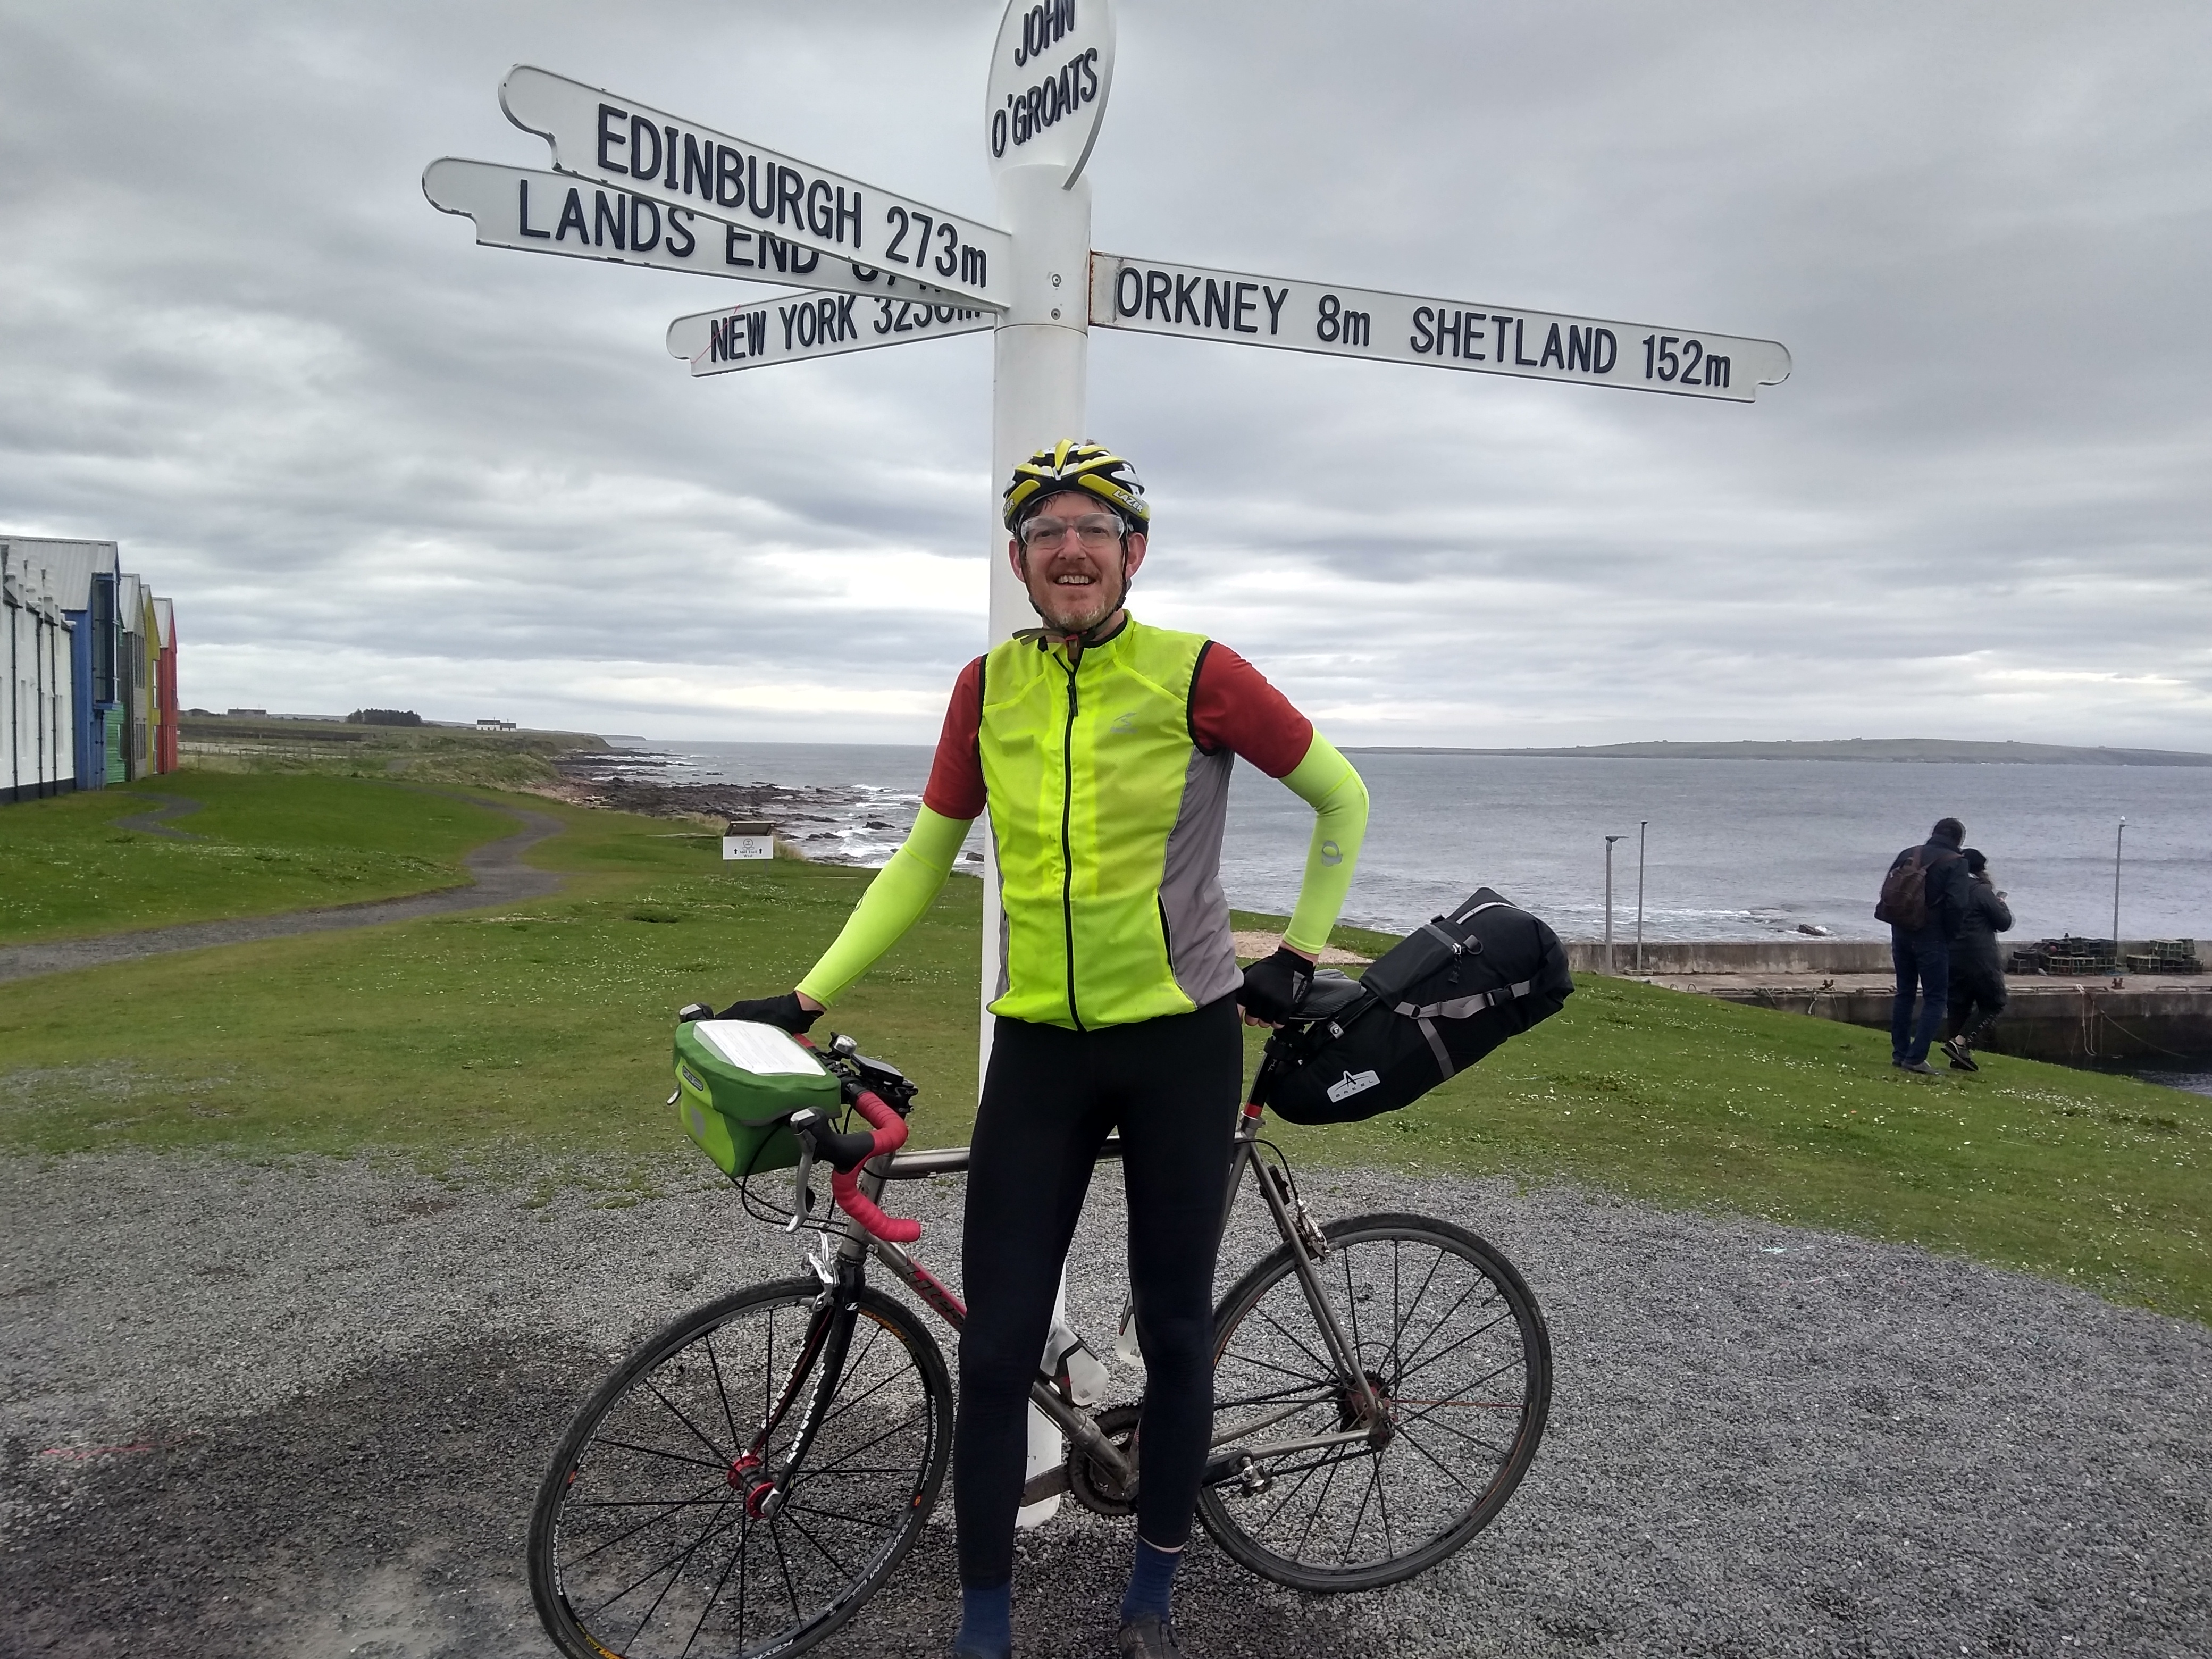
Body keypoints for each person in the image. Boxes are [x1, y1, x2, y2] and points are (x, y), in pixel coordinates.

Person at [716, 441, 1370, 1659]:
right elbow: (923, 856)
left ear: (1135, 550)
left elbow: (1340, 796)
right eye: (1042, 530)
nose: (1068, 547)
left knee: (1174, 1327)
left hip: (1178, 1043)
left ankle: (1153, 1591)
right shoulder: (986, 687)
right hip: (1039, 1050)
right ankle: (983, 1622)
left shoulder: (1200, 675)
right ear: (1018, 558)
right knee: (1003, 1336)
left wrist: (1299, 953)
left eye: (1094, 527)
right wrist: (807, 994)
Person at [1879, 815, 1970, 1074]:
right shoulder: (1956, 863)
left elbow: (1889, 890)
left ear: (1934, 832)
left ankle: (1900, 1053)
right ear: (1959, 839)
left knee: (1905, 993)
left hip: (1901, 931)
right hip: (1932, 936)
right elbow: (1957, 905)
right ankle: (1916, 1058)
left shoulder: (1909, 853)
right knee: (1935, 998)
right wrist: (1950, 936)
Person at [1941, 848, 2012, 1070]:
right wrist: (2000, 902)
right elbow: (2003, 922)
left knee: (1958, 1008)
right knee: (1994, 1003)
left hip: (1951, 957)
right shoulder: (1981, 891)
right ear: (1981, 870)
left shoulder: (1947, 889)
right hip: (1981, 958)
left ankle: (1959, 1058)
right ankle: (1959, 1042)